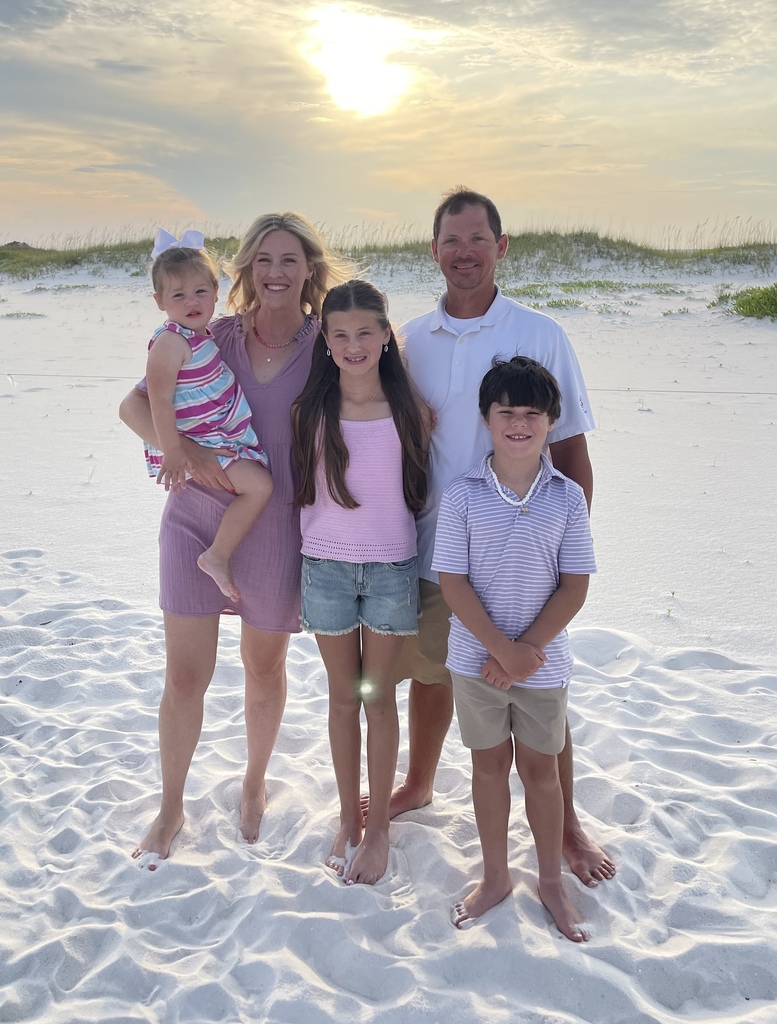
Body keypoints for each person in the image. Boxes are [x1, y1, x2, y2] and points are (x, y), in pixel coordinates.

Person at [387, 186, 615, 886]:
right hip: (438, 544)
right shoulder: (411, 340)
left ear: (500, 247)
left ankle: (567, 823)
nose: (464, 253)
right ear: (434, 251)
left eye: (477, 240)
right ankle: (419, 783)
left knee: (539, 683)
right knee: (432, 672)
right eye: (451, 241)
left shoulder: (540, 332)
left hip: (528, 550)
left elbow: (571, 449)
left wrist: (566, 543)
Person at [119, 213, 351, 865]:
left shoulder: (327, 344)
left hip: (273, 524)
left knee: (263, 669)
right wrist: (185, 454)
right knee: (185, 675)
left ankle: (253, 783)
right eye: (264, 260)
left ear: (309, 269)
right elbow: (134, 407)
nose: (275, 272)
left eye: (289, 260)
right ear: (245, 269)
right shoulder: (207, 332)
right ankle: (170, 808)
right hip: (193, 518)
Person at [434, 356, 595, 940]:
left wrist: (526, 650)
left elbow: (574, 586)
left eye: (533, 413)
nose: (519, 424)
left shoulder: (568, 498)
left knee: (543, 772)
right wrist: (500, 649)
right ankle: (497, 874)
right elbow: (453, 583)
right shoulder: (462, 496)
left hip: (543, 665)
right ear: (486, 418)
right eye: (507, 412)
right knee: (487, 768)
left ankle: (549, 879)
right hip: (475, 660)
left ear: (552, 421)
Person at [292, 280, 430, 885]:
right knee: (343, 697)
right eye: (340, 335)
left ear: (385, 336)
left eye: (365, 333)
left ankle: (378, 832)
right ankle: (349, 817)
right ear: (324, 340)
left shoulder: (411, 412)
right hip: (323, 567)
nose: (353, 345)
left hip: (392, 569)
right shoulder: (309, 411)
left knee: (379, 698)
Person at [145, 236, 273, 602]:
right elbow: (158, 399)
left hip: (219, 438)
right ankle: (216, 555)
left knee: (258, 485)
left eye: (200, 291)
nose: (192, 302)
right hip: (203, 443)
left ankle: (218, 553)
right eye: (178, 296)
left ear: (217, 292)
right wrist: (174, 451)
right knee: (260, 486)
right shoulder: (171, 342)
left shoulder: (202, 336)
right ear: (159, 302)